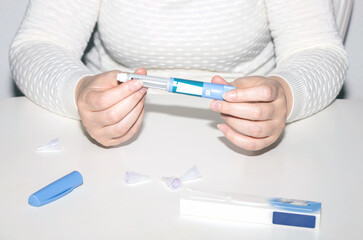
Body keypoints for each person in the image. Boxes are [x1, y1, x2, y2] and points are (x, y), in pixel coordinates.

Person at [9, 0, 347, 151]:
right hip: (102, 145)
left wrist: (285, 96)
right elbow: (39, 43)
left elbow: (318, 49)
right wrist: (79, 92)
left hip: (250, 144)